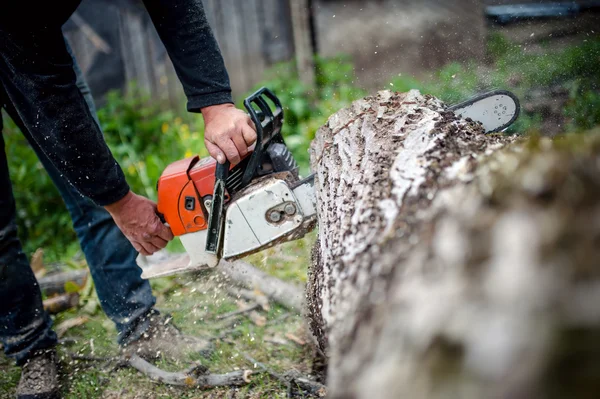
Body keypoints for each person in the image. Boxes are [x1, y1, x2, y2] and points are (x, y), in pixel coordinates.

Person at [0, 2, 257, 398]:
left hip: (30, 37)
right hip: (19, 32)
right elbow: (51, 97)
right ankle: (31, 350)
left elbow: (174, 4)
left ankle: (140, 325)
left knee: (90, 194)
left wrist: (216, 102)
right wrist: (119, 201)